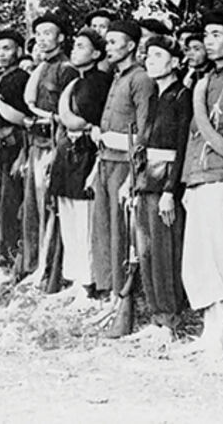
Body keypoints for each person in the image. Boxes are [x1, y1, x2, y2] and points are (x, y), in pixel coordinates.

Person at [177, 10, 223, 362]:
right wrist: (187, 183)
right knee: (201, 260)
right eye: (206, 34)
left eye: (217, 34)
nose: (209, 41)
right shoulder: (203, 82)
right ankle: (207, 333)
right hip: (199, 179)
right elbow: (194, 135)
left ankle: (221, 335)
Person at [132, 35, 191, 341]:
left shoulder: (182, 96)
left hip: (166, 183)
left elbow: (182, 147)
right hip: (146, 180)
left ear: (175, 62)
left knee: (165, 252)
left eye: (157, 55)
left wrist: (170, 190)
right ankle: (156, 316)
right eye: (148, 55)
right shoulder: (154, 97)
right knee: (146, 251)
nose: (149, 60)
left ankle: (170, 319)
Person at [92, 20, 156, 301]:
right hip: (106, 161)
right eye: (107, 42)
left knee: (121, 232)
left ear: (130, 45)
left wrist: (133, 174)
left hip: (124, 163)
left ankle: (123, 295)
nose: (108, 48)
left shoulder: (141, 79)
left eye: (113, 42)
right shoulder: (117, 77)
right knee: (104, 229)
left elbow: (145, 131)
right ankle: (108, 291)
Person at [51, 28, 112, 302]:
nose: (75, 50)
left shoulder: (102, 82)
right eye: (74, 45)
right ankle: (75, 278)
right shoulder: (75, 82)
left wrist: (88, 129)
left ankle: (89, 282)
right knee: (69, 218)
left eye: (81, 46)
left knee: (85, 220)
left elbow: (100, 122)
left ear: (96, 53)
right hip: (69, 154)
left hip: (88, 153)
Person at [20, 13, 76, 281]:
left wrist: (59, 151)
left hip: (54, 144)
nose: (42, 39)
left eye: (48, 33)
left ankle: (50, 271)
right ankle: (33, 266)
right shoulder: (40, 68)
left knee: (50, 209)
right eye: (38, 34)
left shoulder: (67, 69)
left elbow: (69, 115)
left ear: (61, 37)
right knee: (33, 209)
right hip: (36, 144)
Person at [0, 29, 30, 270]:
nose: (2, 54)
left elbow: (28, 121)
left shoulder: (22, 79)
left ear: (18, 51)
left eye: (7, 48)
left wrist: (23, 154)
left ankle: (14, 257)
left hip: (16, 148)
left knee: (13, 206)